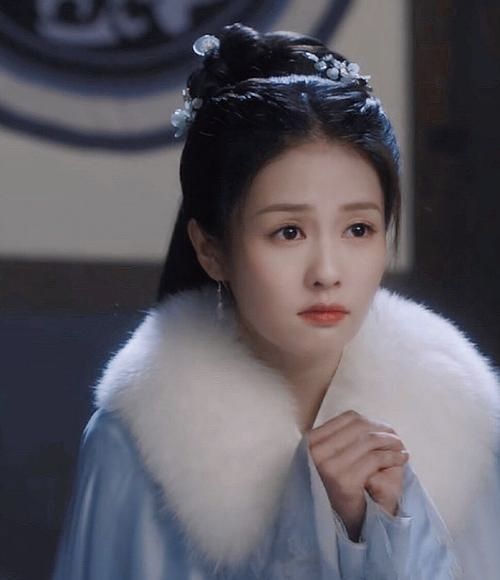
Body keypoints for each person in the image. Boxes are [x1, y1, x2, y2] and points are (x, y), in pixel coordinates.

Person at [52, 23, 500, 580]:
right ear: (211, 249)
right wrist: (315, 523)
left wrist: (392, 525)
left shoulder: (464, 421)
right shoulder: (136, 442)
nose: (327, 272)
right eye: (288, 232)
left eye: (358, 229)